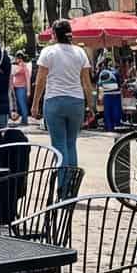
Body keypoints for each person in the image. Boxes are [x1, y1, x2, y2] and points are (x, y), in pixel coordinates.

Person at [31, 20, 92, 170]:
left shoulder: (48, 52)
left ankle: (62, 183)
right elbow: (87, 83)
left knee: (59, 145)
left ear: (54, 34)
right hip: (76, 102)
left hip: (54, 101)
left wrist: (35, 104)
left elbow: (40, 80)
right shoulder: (80, 52)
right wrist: (91, 105)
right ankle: (72, 182)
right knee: (71, 144)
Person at [97, 58, 123, 132]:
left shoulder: (101, 72)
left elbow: (100, 85)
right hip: (116, 94)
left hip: (106, 94)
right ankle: (116, 126)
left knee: (107, 112)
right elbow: (119, 84)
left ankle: (109, 127)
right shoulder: (116, 72)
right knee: (116, 111)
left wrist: (100, 96)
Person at [10, 52, 30, 124]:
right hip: (16, 87)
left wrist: (28, 91)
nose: (17, 59)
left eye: (19, 58)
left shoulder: (24, 67)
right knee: (18, 104)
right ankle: (23, 119)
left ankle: (25, 120)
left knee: (22, 104)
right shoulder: (17, 66)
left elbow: (28, 79)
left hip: (21, 88)